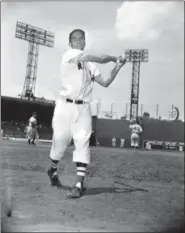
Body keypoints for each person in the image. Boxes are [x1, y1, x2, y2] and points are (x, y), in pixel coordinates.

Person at [47, 29, 127, 198]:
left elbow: (105, 82)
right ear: (70, 43)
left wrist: (117, 67)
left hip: (83, 108)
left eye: (81, 39)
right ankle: (53, 169)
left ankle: (78, 184)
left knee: (82, 143)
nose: (77, 41)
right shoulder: (68, 55)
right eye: (74, 39)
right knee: (60, 143)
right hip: (64, 106)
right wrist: (112, 57)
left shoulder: (91, 66)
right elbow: (91, 57)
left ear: (84, 41)